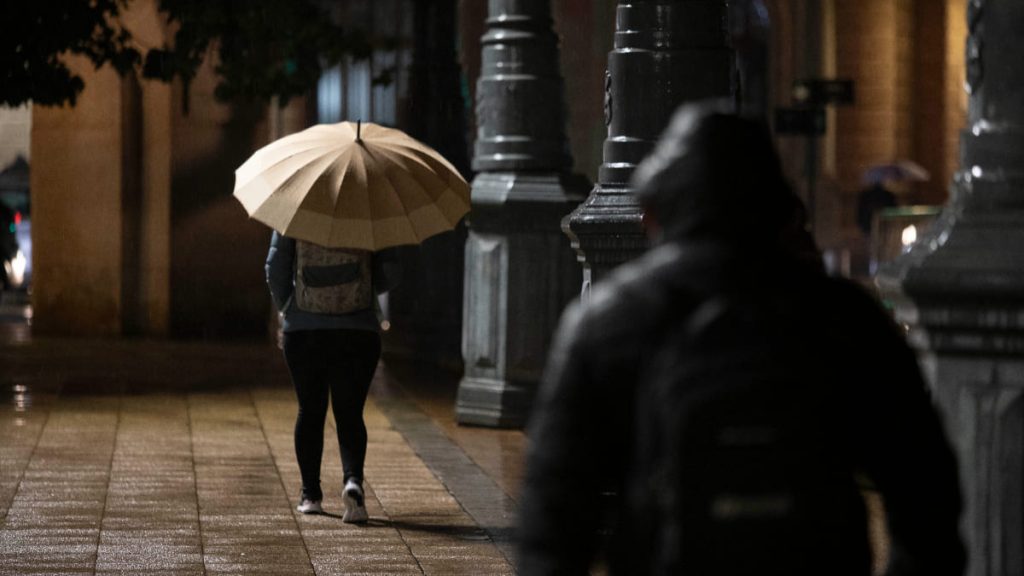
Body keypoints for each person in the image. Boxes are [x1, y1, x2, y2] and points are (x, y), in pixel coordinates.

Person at [517, 102, 965, 575]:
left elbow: (555, 512)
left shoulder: (609, 321)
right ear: (780, 212)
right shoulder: (846, 318)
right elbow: (925, 492)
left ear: (652, 214)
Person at [266, 231, 399, 522]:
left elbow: (274, 268)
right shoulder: (370, 214)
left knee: (310, 410)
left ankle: (310, 496)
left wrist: (290, 307)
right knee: (350, 413)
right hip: (358, 331)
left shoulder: (296, 213)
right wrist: (361, 285)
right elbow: (390, 272)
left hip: (304, 331)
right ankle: (353, 483)